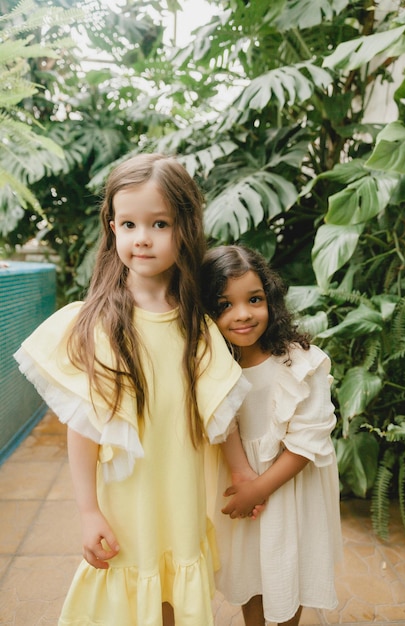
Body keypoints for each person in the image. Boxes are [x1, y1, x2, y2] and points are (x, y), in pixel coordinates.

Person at [14, 154, 250, 626]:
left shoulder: (197, 323)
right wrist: (88, 511)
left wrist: (242, 472)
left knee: (170, 596)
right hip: (126, 500)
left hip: (180, 489)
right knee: (130, 589)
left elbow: (220, 409)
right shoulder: (97, 323)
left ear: (184, 227)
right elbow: (82, 428)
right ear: (112, 227)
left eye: (159, 223)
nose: (142, 237)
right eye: (128, 223)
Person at [201, 245, 343, 626]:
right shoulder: (212, 366)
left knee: (286, 568)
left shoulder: (300, 363)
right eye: (224, 304)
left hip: (289, 486)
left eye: (254, 299)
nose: (243, 314)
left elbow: (307, 440)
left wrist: (259, 488)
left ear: (271, 299)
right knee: (251, 568)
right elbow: (221, 422)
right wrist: (242, 476)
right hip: (241, 478)